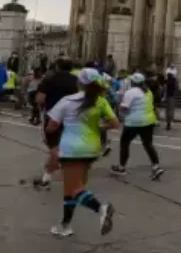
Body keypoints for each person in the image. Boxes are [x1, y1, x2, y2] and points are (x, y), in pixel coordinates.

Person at [45, 68, 120, 237]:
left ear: (79, 83)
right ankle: (65, 225)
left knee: (74, 188)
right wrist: (100, 126)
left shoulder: (67, 100)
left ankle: (101, 208)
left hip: (72, 149)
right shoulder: (100, 100)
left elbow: (52, 126)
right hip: (92, 148)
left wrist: (52, 132)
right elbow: (115, 123)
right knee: (71, 187)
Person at [33, 58, 79, 189]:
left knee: (54, 147)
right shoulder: (77, 80)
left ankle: (47, 179)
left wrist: (40, 107)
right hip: (72, 117)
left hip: (53, 116)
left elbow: (40, 99)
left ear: (57, 66)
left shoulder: (49, 79)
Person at [109, 72, 164, 180]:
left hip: (133, 122)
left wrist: (120, 109)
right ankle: (156, 166)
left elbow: (124, 108)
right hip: (148, 122)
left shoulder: (130, 92)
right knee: (148, 144)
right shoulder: (148, 92)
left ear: (133, 82)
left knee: (125, 143)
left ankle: (122, 167)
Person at [163, 64, 178, 130]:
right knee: (170, 110)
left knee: (168, 110)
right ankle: (169, 123)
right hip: (171, 96)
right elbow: (176, 89)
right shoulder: (173, 80)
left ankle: (168, 123)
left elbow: (165, 89)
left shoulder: (167, 81)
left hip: (168, 96)